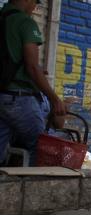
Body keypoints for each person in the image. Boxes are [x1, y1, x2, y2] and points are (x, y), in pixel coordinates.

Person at [0, 0, 66, 165]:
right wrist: (54, 98)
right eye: (35, 3)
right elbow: (32, 67)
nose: (35, 7)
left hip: (2, 95)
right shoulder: (25, 22)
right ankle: (32, 189)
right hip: (18, 97)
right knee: (43, 148)